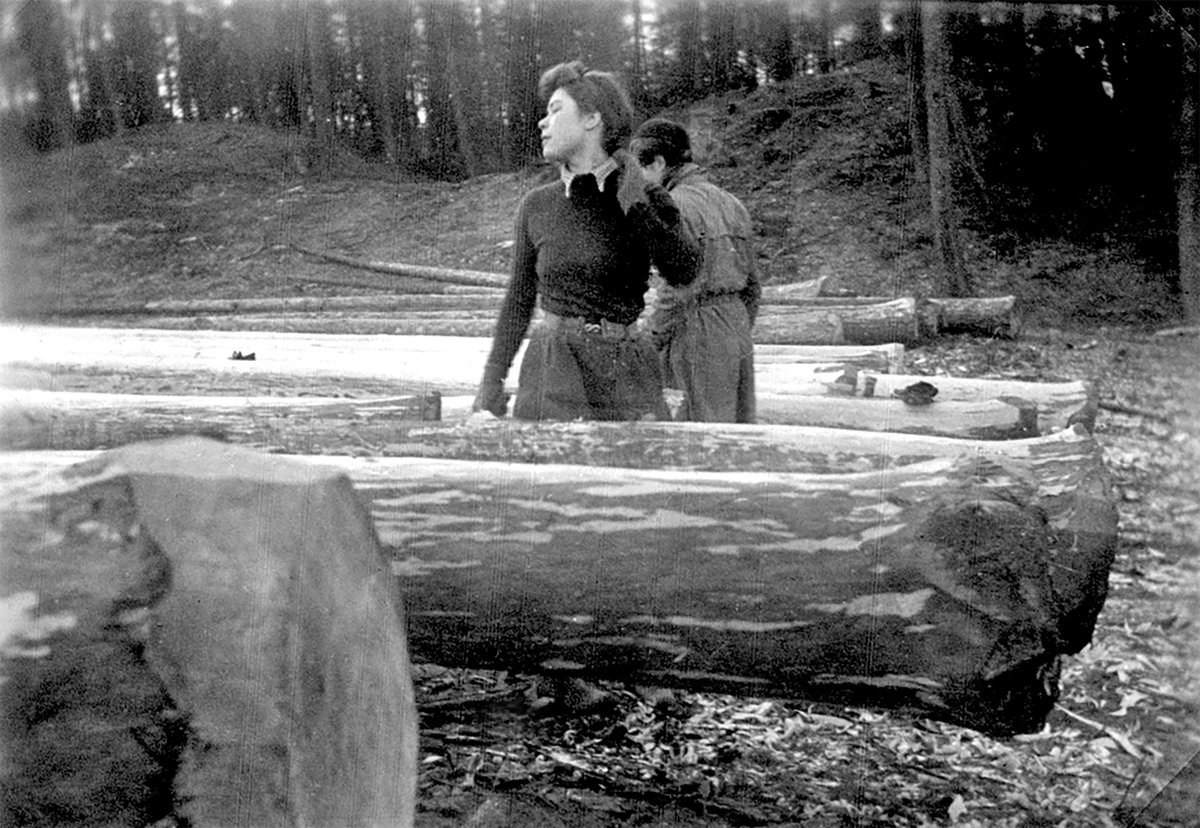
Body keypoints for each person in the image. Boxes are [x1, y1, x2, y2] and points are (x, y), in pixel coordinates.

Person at [472, 62, 700, 421]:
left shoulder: (645, 196)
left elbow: (684, 270)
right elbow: (519, 298)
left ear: (592, 119)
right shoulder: (537, 206)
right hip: (555, 366)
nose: (542, 123)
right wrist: (491, 379)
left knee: (633, 473)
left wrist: (637, 203)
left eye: (555, 111)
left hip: (628, 368)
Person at [631, 118, 760, 423]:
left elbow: (675, 291)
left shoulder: (672, 206)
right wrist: (734, 329)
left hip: (693, 332)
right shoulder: (732, 203)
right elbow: (753, 287)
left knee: (692, 440)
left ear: (659, 163)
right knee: (736, 437)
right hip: (736, 326)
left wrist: (649, 343)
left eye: (639, 170)